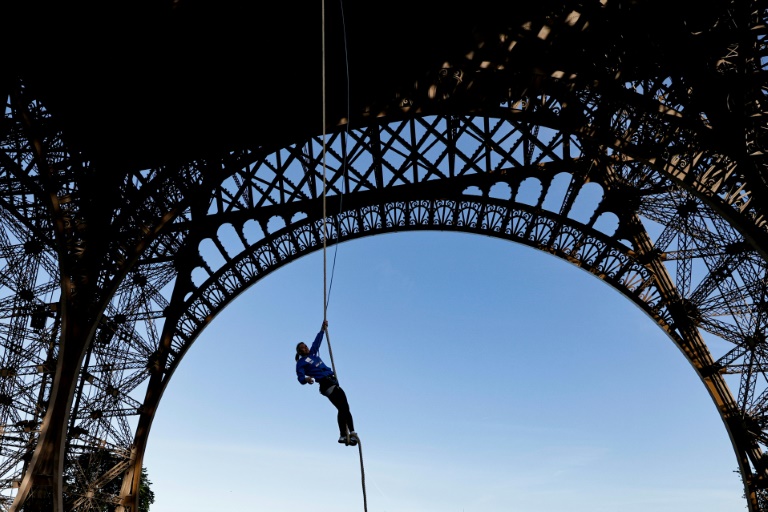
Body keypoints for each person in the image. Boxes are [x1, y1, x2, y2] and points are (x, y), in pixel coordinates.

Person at [295, 320, 358, 445]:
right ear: (299, 352)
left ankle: (348, 434)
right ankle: (347, 433)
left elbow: (316, 342)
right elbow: (300, 376)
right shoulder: (301, 362)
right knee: (343, 407)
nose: (305, 348)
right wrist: (305, 379)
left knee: (344, 408)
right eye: (302, 348)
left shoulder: (313, 354)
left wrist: (322, 330)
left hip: (332, 381)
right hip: (326, 383)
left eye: (305, 346)